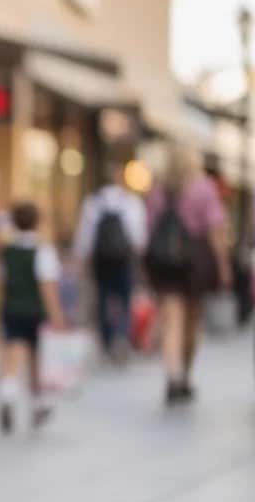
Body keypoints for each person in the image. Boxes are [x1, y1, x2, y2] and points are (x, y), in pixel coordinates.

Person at [144, 145, 232, 405]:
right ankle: (185, 375)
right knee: (191, 321)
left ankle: (173, 374)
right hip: (195, 260)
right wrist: (223, 266)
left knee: (171, 320)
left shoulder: (158, 188)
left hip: (164, 262)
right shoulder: (203, 187)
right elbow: (216, 230)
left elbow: (148, 228)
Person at [0, 202, 66, 433]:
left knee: (12, 353)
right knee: (37, 358)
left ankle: (7, 394)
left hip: (12, 308)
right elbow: (47, 285)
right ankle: (37, 403)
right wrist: (56, 315)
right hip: (36, 311)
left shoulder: (7, 251)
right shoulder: (42, 250)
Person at [72, 161, 147, 361]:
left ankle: (106, 341)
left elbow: (84, 236)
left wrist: (80, 261)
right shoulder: (130, 202)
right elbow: (138, 237)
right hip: (124, 260)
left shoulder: (93, 202)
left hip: (101, 261)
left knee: (103, 299)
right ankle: (121, 336)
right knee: (125, 299)